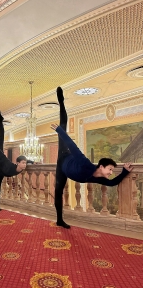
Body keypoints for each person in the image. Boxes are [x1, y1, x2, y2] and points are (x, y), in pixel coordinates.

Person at [51, 86, 133, 229]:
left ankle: (59, 220)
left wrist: (125, 171)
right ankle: (61, 101)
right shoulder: (85, 163)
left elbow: (113, 183)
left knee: (59, 190)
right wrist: (58, 131)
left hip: (65, 171)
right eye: (110, 169)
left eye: (111, 170)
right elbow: (72, 145)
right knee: (63, 127)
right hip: (64, 157)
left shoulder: (99, 177)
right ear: (101, 167)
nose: (110, 172)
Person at [0, 110, 27, 211]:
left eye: (25, 163)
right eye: (23, 163)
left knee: (1, 143)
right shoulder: (10, 165)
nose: (24, 165)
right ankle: (0, 120)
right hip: (2, 165)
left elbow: (29, 162)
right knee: (1, 139)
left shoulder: (22, 167)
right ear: (18, 163)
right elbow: (2, 155)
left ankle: (0, 121)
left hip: (5, 169)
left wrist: (34, 162)